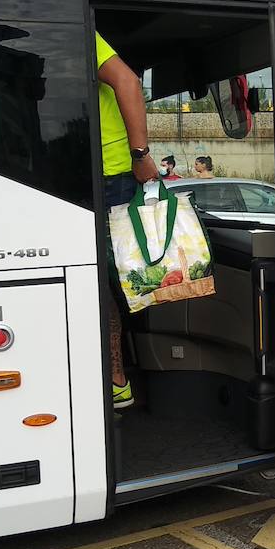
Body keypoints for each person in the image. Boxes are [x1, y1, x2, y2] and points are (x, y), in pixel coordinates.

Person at [96, 32, 159, 411]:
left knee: (106, 282)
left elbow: (127, 80)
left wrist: (141, 155)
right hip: (103, 173)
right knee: (106, 281)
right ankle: (115, 378)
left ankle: (116, 379)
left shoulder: (78, 32)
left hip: (110, 173)